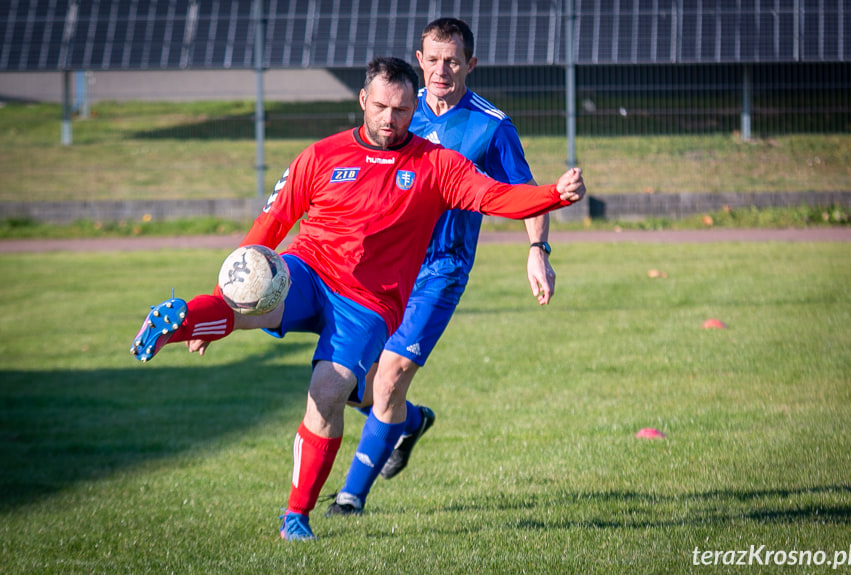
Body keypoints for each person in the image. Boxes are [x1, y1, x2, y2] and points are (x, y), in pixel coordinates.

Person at [130, 56, 586, 542]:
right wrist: (229, 294)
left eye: (403, 110)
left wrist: (553, 194)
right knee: (254, 292)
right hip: (310, 269)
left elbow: (497, 196)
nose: (391, 119)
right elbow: (269, 228)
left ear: (416, 110)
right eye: (382, 107)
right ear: (363, 101)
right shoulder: (321, 155)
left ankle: (296, 516)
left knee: (329, 392)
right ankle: (185, 322)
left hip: (369, 302)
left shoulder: (437, 165)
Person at [327, 18, 557, 517]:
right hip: (382, 266)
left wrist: (538, 251)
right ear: (419, 59)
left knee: (387, 379)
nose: (441, 70)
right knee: (349, 383)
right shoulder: (400, 113)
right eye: (432, 59)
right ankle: (409, 423)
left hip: (440, 269)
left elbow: (528, 195)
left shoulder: (490, 126)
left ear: (470, 64)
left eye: (452, 60)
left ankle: (350, 499)